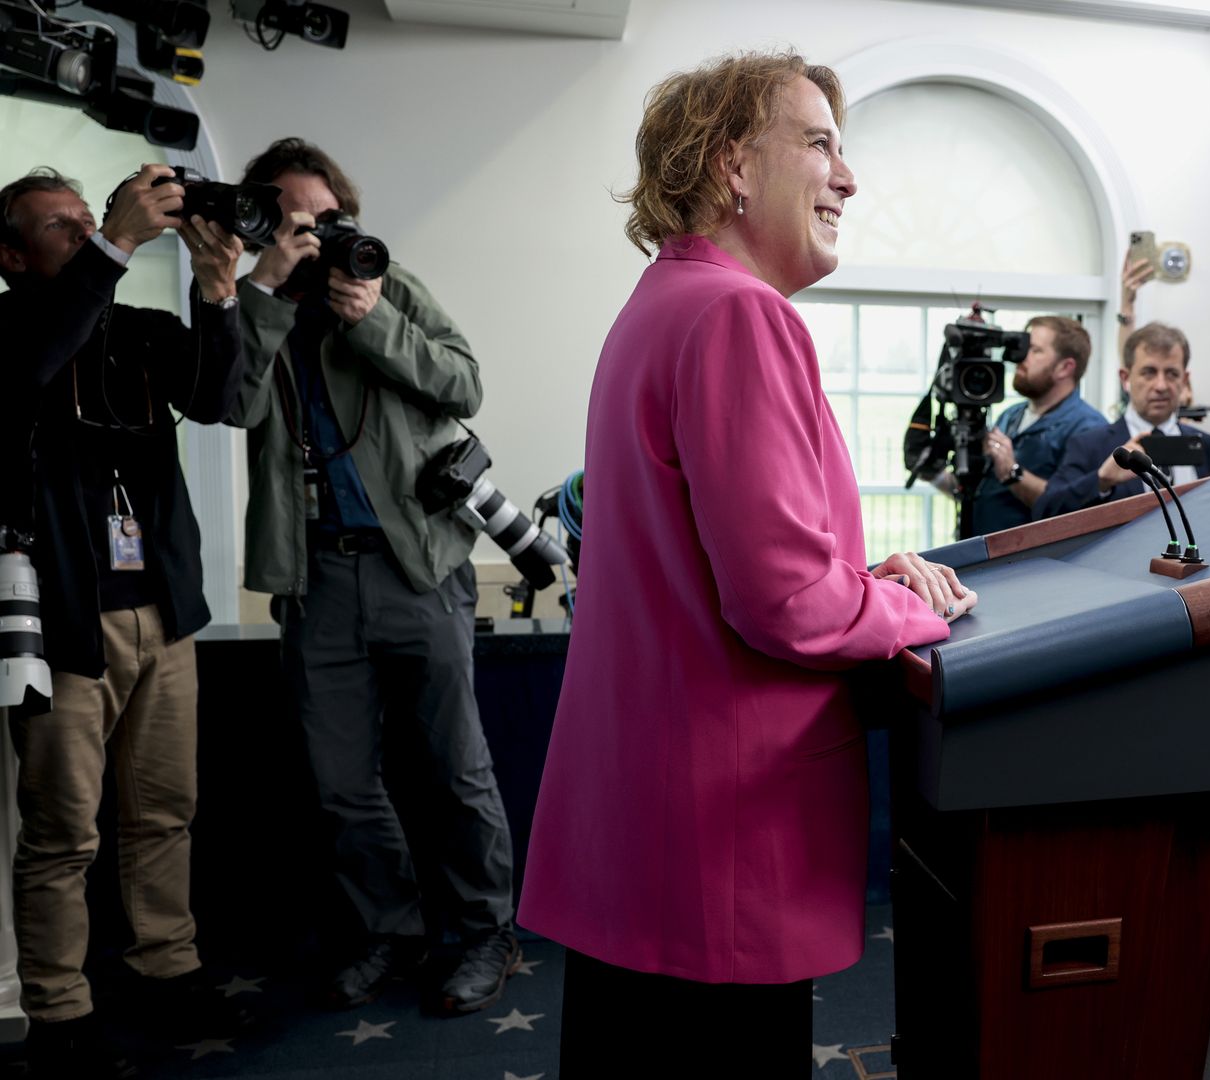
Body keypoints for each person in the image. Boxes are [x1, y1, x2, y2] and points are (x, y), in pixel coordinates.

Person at [517, 52, 974, 1077]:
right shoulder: (739, 314)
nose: (847, 178)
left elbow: (724, 560)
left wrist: (864, 580)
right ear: (731, 165)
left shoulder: (664, 303)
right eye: (819, 143)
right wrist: (917, 615)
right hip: (722, 839)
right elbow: (784, 604)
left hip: (655, 830)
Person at [225, 138, 518, 1015]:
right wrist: (269, 294)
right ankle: (386, 934)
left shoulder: (390, 282)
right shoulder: (255, 304)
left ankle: (481, 934)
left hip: (419, 566)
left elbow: (464, 384)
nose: (309, 231)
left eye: (321, 216)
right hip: (317, 575)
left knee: (453, 768)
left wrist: (374, 318)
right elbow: (231, 403)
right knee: (341, 782)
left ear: (346, 216)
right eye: (287, 218)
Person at [0, 164, 248, 1078]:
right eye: (60, 226)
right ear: (12, 254)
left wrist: (219, 292)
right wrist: (117, 242)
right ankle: (59, 1012)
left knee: (164, 813)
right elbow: (32, 364)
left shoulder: (136, 331)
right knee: (64, 828)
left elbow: (218, 400)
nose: (83, 231)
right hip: (63, 622)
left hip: (162, 612)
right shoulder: (14, 325)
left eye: (86, 221)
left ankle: (166, 971)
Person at [1033, 321, 1210, 519]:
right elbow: (1045, 510)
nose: (1161, 385)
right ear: (1125, 378)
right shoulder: (1090, 446)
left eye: (1171, 374)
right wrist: (1101, 480)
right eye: (1149, 372)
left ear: (1184, 380)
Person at [970, 315, 1107, 535]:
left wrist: (1013, 472)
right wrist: (935, 473)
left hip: (1030, 562)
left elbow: (1069, 507)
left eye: (1034, 350)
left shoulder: (1090, 429)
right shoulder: (1010, 415)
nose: (1021, 357)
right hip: (982, 553)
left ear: (1065, 368)